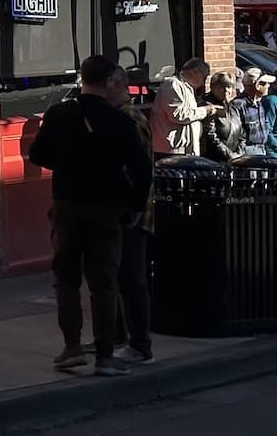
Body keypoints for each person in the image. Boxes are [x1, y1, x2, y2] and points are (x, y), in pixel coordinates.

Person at [30, 55, 152, 378]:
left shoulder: (59, 114)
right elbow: (142, 169)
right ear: (110, 80)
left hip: (67, 203)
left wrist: (68, 163)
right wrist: (135, 205)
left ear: (82, 77)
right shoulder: (121, 121)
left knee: (66, 278)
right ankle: (105, 354)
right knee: (104, 282)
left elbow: (37, 154)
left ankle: (72, 347)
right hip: (107, 208)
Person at [108, 67, 156, 365]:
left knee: (131, 277)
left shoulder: (129, 118)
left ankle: (139, 344)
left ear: (117, 85)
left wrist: (135, 209)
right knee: (112, 275)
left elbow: (138, 170)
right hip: (124, 210)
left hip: (133, 213)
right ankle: (115, 336)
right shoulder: (120, 117)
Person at [148, 57, 215, 157]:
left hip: (183, 150)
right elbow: (178, 114)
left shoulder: (186, 87)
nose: (203, 83)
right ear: (195, 72)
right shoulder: (173, 84)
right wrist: (205, 111)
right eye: (203, 78)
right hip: (171, 151)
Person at [201, 70, 247, 162]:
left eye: (229, 87)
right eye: (222, 87)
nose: (226, 90)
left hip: (234, 160)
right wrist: (230, 156)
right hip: (214, 161)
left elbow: (242, 135)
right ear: (213, 87)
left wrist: (239, 154)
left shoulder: (233, 108)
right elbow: (211, 136)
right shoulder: (209, 107)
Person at [233, 68, 272, 156]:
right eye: (265, 83)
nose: (268, 86)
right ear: (257, 85)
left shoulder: (259, 103)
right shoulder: (239, 105)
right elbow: (236, 134)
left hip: (261, 149)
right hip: (247, 152)